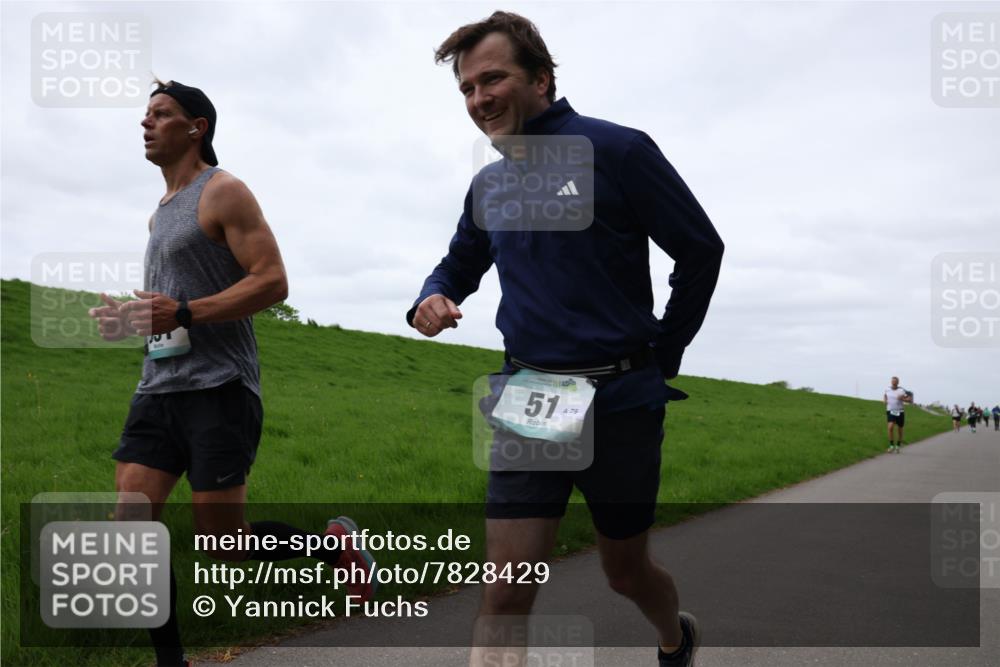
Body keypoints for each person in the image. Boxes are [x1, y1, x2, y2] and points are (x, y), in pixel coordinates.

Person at [408, 12, 723, 667]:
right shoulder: (489, 183)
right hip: (531, 398)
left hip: (622, 400)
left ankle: (674, 635)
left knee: (625, 570)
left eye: (491, 79)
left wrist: (664, 353)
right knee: (506, 586)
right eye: (466, 89)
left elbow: (700, 249)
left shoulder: (618, 151)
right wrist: (432, 296)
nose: (478, 99)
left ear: (542, 78)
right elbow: (459, 263)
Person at [88, 80, 375, 667]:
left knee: (225, 545)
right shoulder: (158, 215)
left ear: (197, 127)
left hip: (219, 387)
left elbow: (273, 281)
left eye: (161, 114)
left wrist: (186, 311)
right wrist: (133, 320)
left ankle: (335, 545)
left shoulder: (223, 192)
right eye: (145, 115)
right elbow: (171, 305)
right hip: (158, 388)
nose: (147, 124)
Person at [883, 377, 911, 453]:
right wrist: (885, 401)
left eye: (895, 382)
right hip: (890, 411)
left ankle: (898, 446)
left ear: (898, 382)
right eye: (892, 381)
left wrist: (903, 399)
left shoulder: (902, 390)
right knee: (890, 427)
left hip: (900, 411)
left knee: (900, 430)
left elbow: (909, 399)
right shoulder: (887, 389)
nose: (893, 383)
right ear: (891, 382)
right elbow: (885, 395)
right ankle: (891, 446)